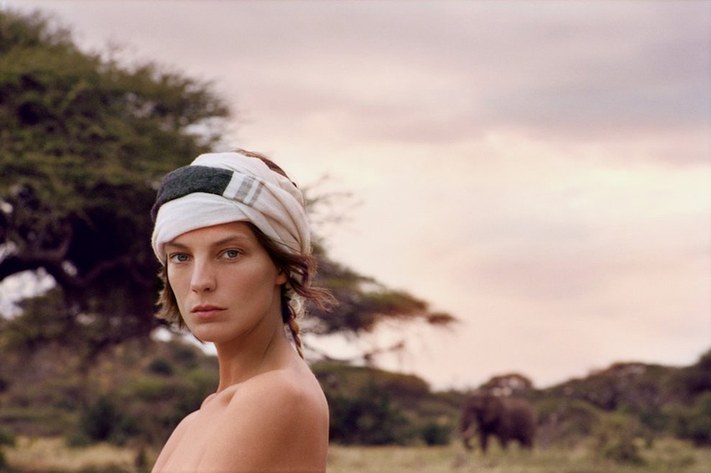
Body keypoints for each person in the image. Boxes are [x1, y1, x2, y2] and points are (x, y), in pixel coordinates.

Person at [149, 149, 331, 472]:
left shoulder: (278, 395)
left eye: (230, 253)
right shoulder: (193, 424)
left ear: (280, 265)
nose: (200, 282)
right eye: (181, 257)